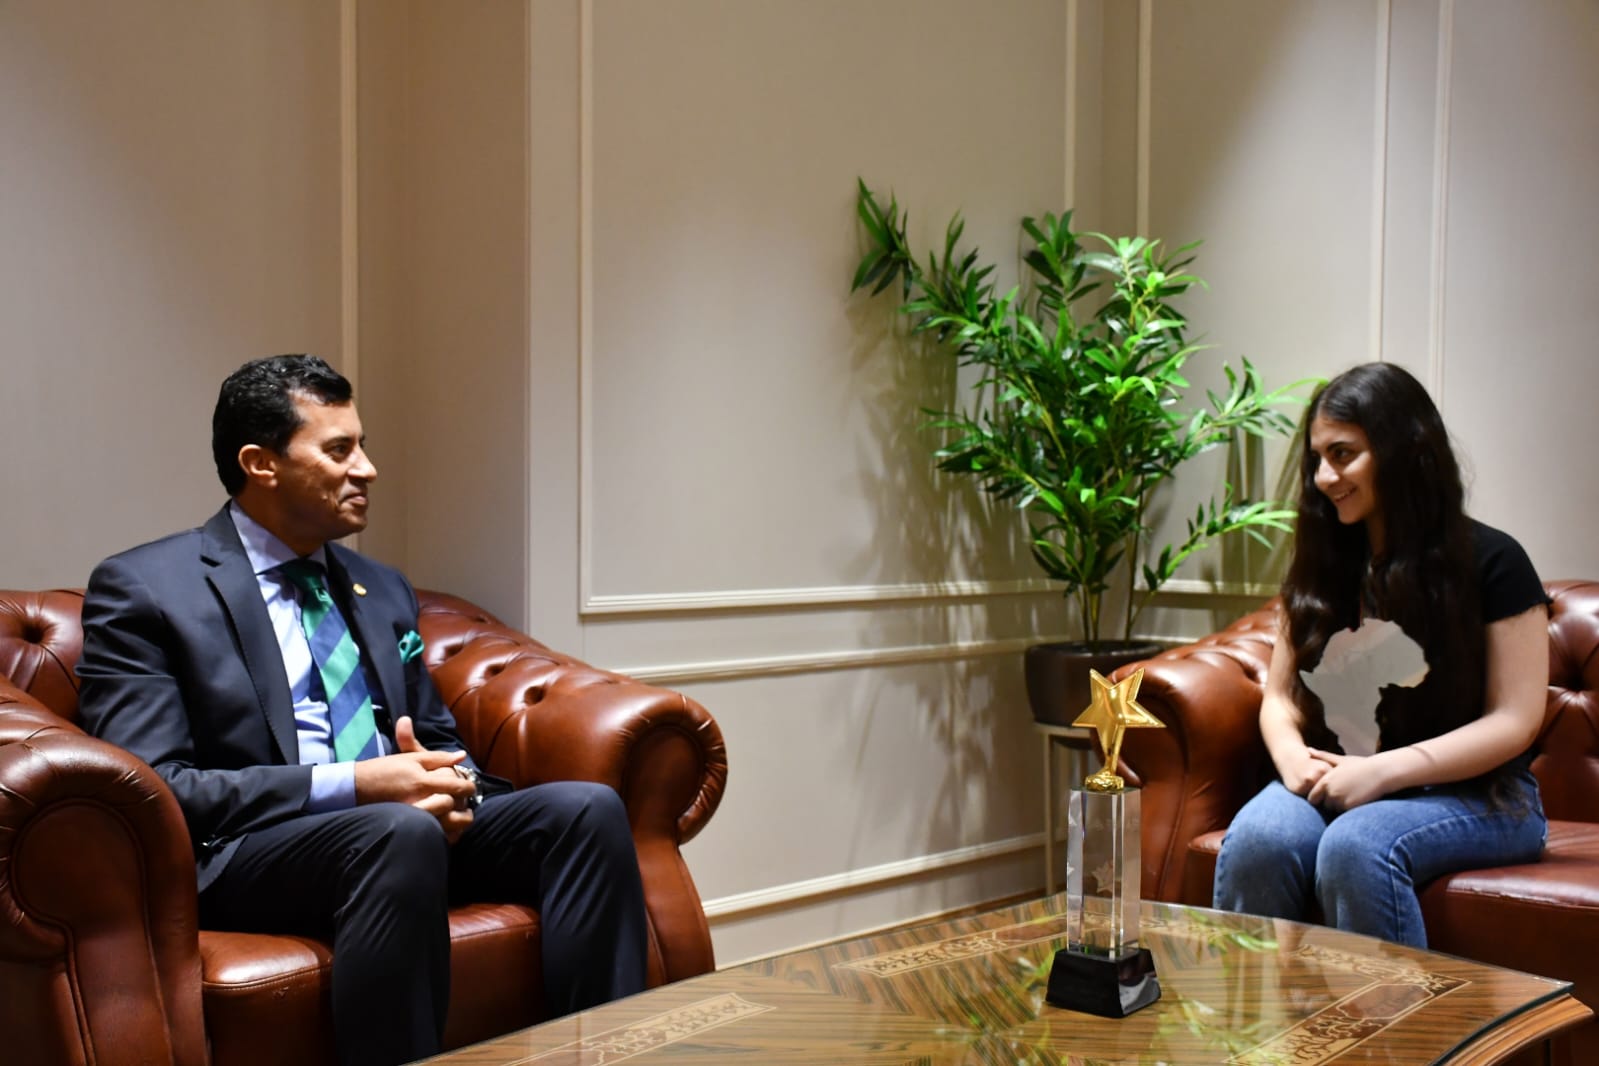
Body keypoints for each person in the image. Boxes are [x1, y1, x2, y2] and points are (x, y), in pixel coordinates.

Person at [77, 355, 648, 1066]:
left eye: (363, 445)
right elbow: (159, 787)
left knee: (584, 810)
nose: (368, 469)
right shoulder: (148, 588)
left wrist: (448, 785)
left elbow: (433, 736)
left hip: (397, 834)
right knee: (394, 830)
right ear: (260, 464)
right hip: (247, 851)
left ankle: (604, 1053)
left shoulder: (380, 586)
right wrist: (361, 785)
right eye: (339, 449)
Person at [1212, 362, 1549, 948]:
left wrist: (1383, 772)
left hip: (1482, 795)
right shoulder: (1323, 565)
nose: (1324, 477)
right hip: (1339, 775)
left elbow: (1515, 720)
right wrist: (1292, 760)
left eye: (1343, 455)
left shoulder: (1495, 561)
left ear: (1401, 448)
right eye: (1317, 459)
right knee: (1262, 840)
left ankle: (1391, 1016)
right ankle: (1255, 1012)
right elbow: (1280, 698)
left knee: (1356, 844)